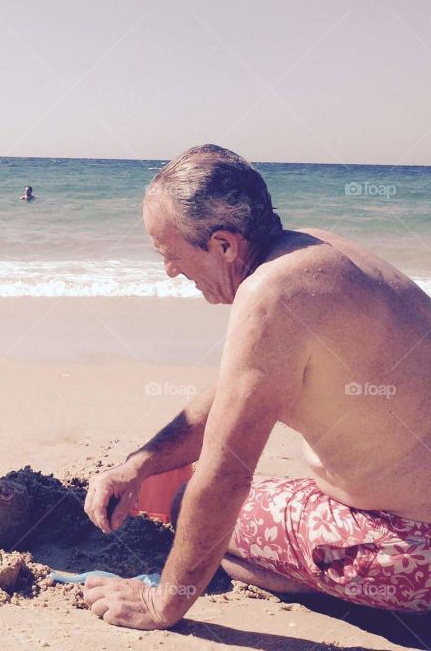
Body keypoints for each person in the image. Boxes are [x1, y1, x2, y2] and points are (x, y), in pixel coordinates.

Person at [82, 145, 431, 628]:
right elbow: (235, 390)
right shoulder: (313, 250)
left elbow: (227, 478)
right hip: (415, 519)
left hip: (413, 550)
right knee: (185, 492)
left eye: (170, 253)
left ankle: (333, 588)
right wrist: (139, 465)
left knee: (189, 506)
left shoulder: (271, 294)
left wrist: (165, 601)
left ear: (224, 245)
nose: (170, 270)